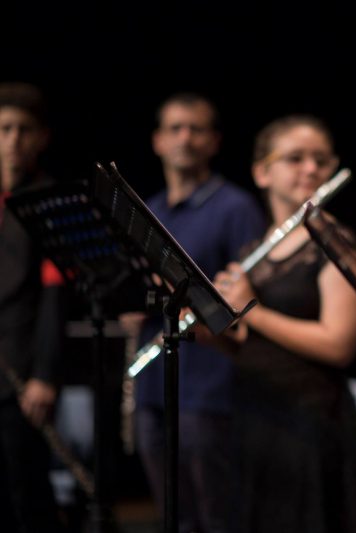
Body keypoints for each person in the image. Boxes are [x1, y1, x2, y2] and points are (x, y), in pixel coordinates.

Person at [213, 115, 356, 533]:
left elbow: (340, 344)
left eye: (321, 160)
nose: (311, 169)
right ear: (261, 172)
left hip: (310, 425)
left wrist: (253, 309)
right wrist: (207, 331)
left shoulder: (335, 240)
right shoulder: (254, 248)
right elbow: (250, 344)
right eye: (296, 158)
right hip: (258, 418)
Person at [130, 92, 266, 533]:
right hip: (155, 384)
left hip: (210, 388)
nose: (184, 137)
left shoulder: (236, 207)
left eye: (197, 128)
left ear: (214, 141)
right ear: (157, 141)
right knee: (173, 515)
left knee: (217, 517)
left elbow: (248, 302)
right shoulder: (149, 208)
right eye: (175, 128)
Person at [0, 82, 65, 532]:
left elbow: (53, 296)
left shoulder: (50, 201)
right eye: (3, 129)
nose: (12, 141)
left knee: (25, 489)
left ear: (42, 137)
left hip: (21, 373)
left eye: (23, 129)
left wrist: (44, 373)